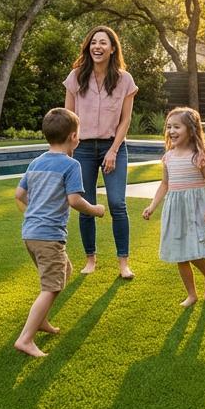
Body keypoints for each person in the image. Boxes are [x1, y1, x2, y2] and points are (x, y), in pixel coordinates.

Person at [14, 108, 105, 358]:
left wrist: (33, 216)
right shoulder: (71, 164)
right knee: (51, 287)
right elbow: (75, 200)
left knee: (64, 271)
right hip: (48, 236)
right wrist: (96, 210)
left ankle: (41, 321)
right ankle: (26, 338)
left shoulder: (37, 162)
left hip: (30, 234)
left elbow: (19, 196)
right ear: (74, 137)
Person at [63, 25, 139, 280]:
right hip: (82, 148)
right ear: (88, 46)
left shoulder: (124, 80)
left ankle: (123, 263)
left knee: (117, 203)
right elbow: (68, 118)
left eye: (103, 42)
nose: (97, 46)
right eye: (94, 42)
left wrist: (113, 150)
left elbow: (125, 120)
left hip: (113, 146)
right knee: (86, 205)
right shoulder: (76, 77)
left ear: (112, 48)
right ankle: (90, 258)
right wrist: (68, 152)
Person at [141, 107, 205, 307]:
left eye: (177, 126)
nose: (171, 131)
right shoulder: (168, 157)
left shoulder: (199, 156)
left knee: (195, 251)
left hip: (196, 209)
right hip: (175, 210)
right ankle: (191, 294)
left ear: (191, 129)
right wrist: (152, 206)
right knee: (180, 253)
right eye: (169, 127)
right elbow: (165, 184)